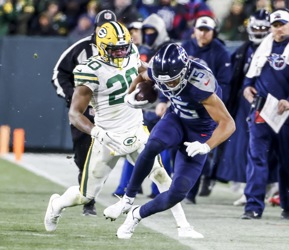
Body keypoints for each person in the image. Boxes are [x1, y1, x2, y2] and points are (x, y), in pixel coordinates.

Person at [45, 22, 199, 238]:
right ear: (101, 46)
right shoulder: (89, 69)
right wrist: (99, 133)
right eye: (115, 49)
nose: (121, 53)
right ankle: (57, 204)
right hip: (107, 137)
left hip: (135, 129)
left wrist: (153, 79)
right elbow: (75, 114)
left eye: (124, 47)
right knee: (86, 195)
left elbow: (141, 70)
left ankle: (183, 225)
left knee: (161, 175)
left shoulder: (132, 52)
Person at [104, 43, 236, 239]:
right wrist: (129, 96)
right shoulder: (161, 71)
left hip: (200, 132)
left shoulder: (201, 83)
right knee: (152, 146)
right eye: (164, 82)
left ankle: (136, 214)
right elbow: (142, 73)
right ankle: (127, 198)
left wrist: (206, 145)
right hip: (176, 118)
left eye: (173, 81)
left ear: (184, 71)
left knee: (178, 193)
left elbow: (228, 124)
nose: (169, 85)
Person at [51, 9, 117, 216]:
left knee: (104, 157)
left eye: (109, 29)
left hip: (110, 113)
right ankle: (88, 196)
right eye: (101, 29)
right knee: (83, 157)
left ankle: (105, 197)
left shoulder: (122, 49)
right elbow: (58, 74)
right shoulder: (80, 48)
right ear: (95, 29)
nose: (105, 33)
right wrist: (73, 97)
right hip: (83, 113)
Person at [216, 9, 279, 206]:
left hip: (278, 105)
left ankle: (275, 188)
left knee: (276, 150)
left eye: (263, 28)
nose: (260, 31)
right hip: (249, 105)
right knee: (249, 149)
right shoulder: (244, 50)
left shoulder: (279, 49)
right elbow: (239, 80)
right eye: (256, 27)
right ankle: (253, 191)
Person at [241, 8, 289, 220]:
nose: (278, 29)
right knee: (256, 159)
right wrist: (246, 87)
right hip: (261, 111)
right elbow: (249, 78)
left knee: (287, 163)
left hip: (287, 115)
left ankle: (287, 206)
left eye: (282, 24)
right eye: (275, 25)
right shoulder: (262, 47)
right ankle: (253, 206)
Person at [181, 15, 232, 202]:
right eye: (200, 29)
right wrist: (164, 100)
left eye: (207, 30)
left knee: (202, 148)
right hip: (183, 104)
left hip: (207, 107)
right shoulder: (184, 48)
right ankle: (178, 186)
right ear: (194, 30)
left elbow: (225, 84)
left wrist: (212, 105)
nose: (203, 33)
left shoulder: (221, 52)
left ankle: (191, 191)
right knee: (178, 146)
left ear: (213, 32)